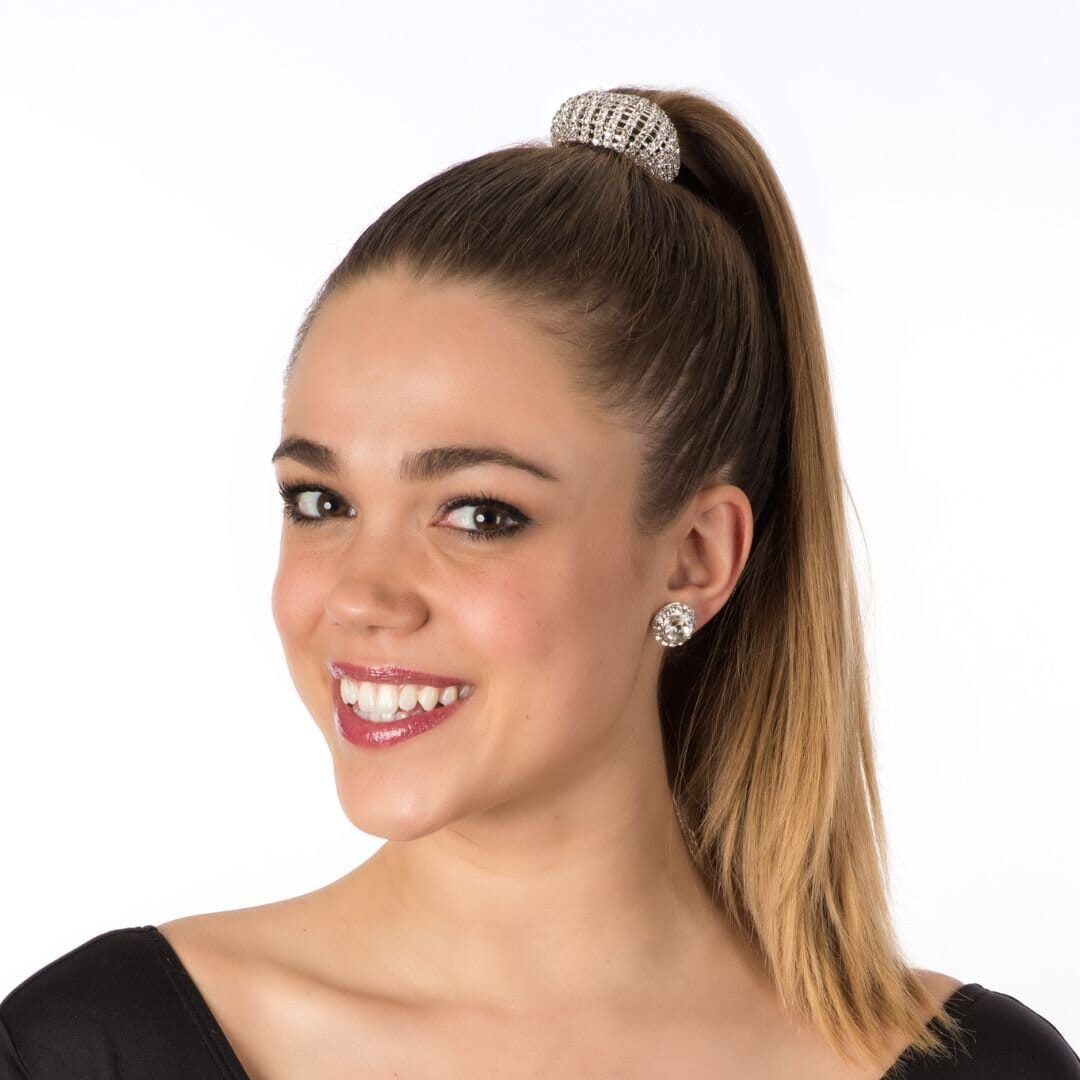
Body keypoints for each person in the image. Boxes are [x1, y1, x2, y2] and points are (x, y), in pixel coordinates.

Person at [2, 86, 1077, 1080]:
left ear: (696, 557)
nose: (364, 596)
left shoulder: (980, 1069)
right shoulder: (95, 1050)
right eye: (320, 502)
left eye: (478, 514)